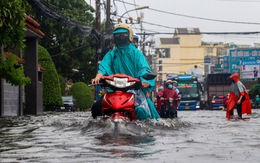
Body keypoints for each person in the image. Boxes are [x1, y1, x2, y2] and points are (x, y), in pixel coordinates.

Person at [91, 23, 160, 121]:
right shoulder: (112, 54)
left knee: (141, 111)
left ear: (129, 35)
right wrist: (98, 76)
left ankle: (143, 129)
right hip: (114, 89)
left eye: (123, 34)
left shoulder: (136, 53)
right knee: (96, 107)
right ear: (114, 37)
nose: (121, 36)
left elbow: (143, 68)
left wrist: (144, 80)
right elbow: (103, 66)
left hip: (134, 89)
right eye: (118, 34)